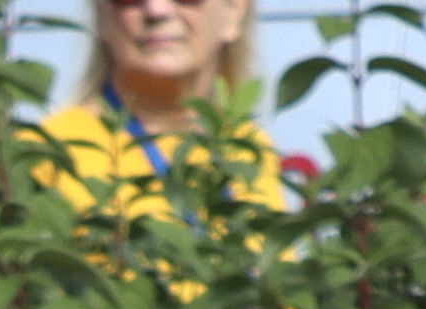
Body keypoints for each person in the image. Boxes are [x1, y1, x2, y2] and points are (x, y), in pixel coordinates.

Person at [30, 0, 295, 210]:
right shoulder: (44, 152)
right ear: (101, 14)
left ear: (234, 11)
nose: (156, 9)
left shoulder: (249, 148)